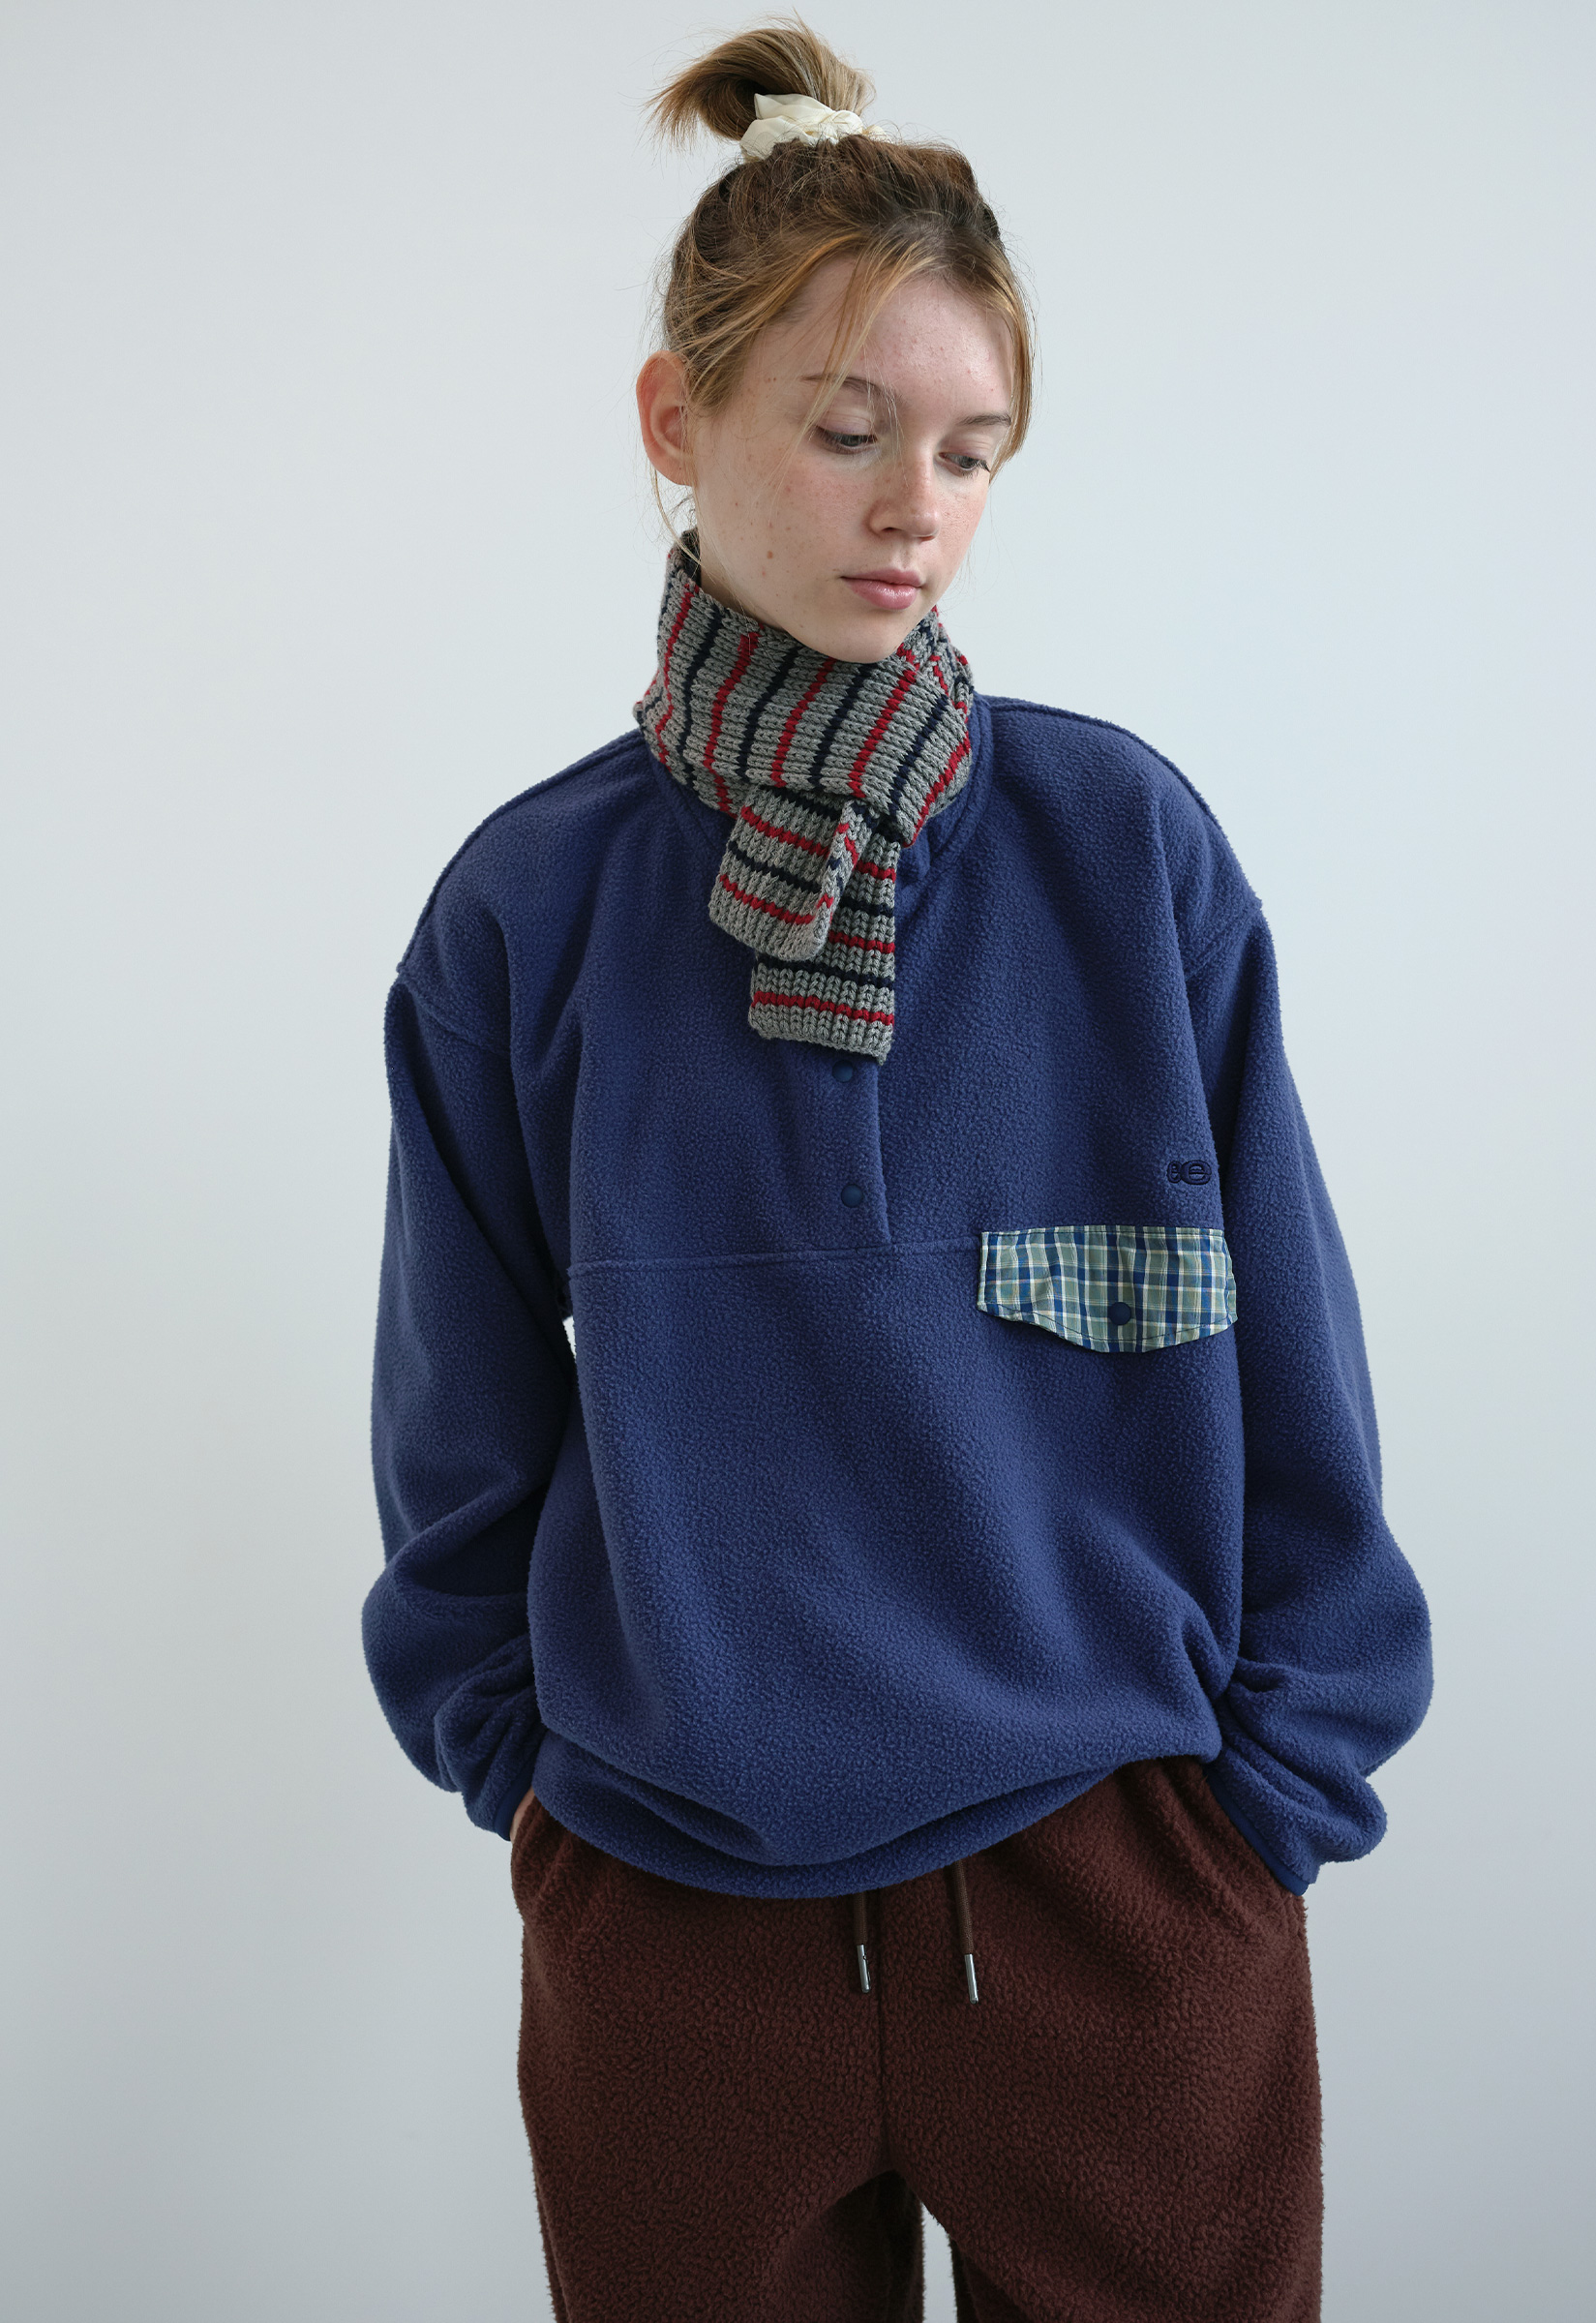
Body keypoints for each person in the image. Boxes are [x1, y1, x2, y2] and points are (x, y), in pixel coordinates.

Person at [362, 21, 1432, 2321]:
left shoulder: (1122, 849)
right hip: (675, 1931)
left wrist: (1267, 1807)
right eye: (847, 431)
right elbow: (459, 1438)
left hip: (1120, 1906)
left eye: (970, 450)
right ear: (677, 422)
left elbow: (1299, 1365)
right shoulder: (523, 914)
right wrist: (545, 1804)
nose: (913, 506)